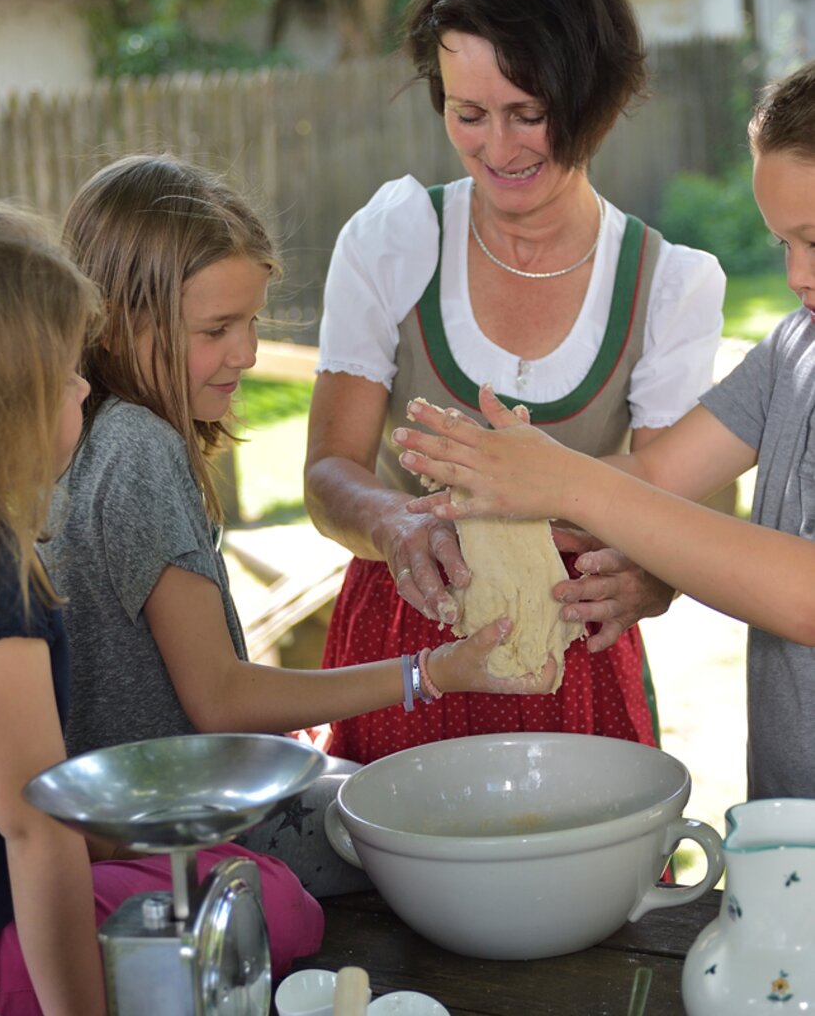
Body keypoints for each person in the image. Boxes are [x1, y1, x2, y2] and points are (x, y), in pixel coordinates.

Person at [43, 153, 550, 900]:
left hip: (124, 828)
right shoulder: (141, 451)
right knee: (449, 839)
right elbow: (218, 697)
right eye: (216, 329)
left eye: (251, 321)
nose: (246, 353)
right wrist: (432, 673)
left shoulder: (79, 435)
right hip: (179, 838)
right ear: (119, 325)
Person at [304, 0, 725, 764]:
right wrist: (394, 522)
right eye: (468, 114)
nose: (497, 148)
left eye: (527, 113)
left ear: (593, 100)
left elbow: (685, 513)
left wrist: (654, 580)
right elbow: (328, 471)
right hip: (403, 654)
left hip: (573, 661)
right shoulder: (394, 240)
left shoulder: (669, 286)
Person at [0, 210, 322, 1016]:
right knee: (277, 906)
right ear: (9, 406)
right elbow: (38, 831)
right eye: (64, 374)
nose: (84, 386)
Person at [392, 57, 815, 802]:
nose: (795, 276)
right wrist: (500, 485)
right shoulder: (793, 349)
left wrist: (572, 482)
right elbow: (656, 477)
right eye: (785, 243)